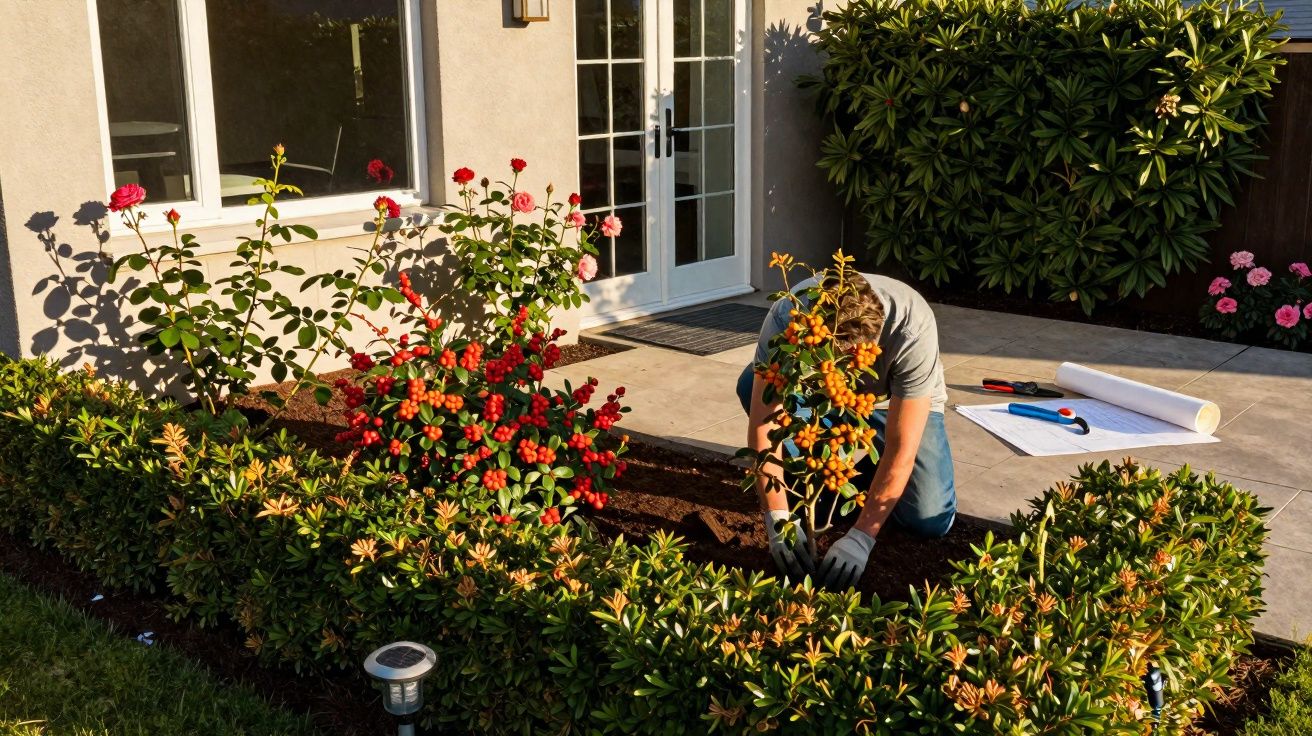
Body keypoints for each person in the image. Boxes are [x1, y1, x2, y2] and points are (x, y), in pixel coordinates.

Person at [737, 269, 956, 590]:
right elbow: (764, 424)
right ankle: (828, 480)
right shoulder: (789, 316)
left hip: (891, 402)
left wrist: (862, 537)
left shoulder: (911, 327)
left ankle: (871, 477)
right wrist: (777, 517)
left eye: (854, 360)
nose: (846, 371)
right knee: (752, 385)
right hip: (816, 394)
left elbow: (902, 449)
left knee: (928, 520)